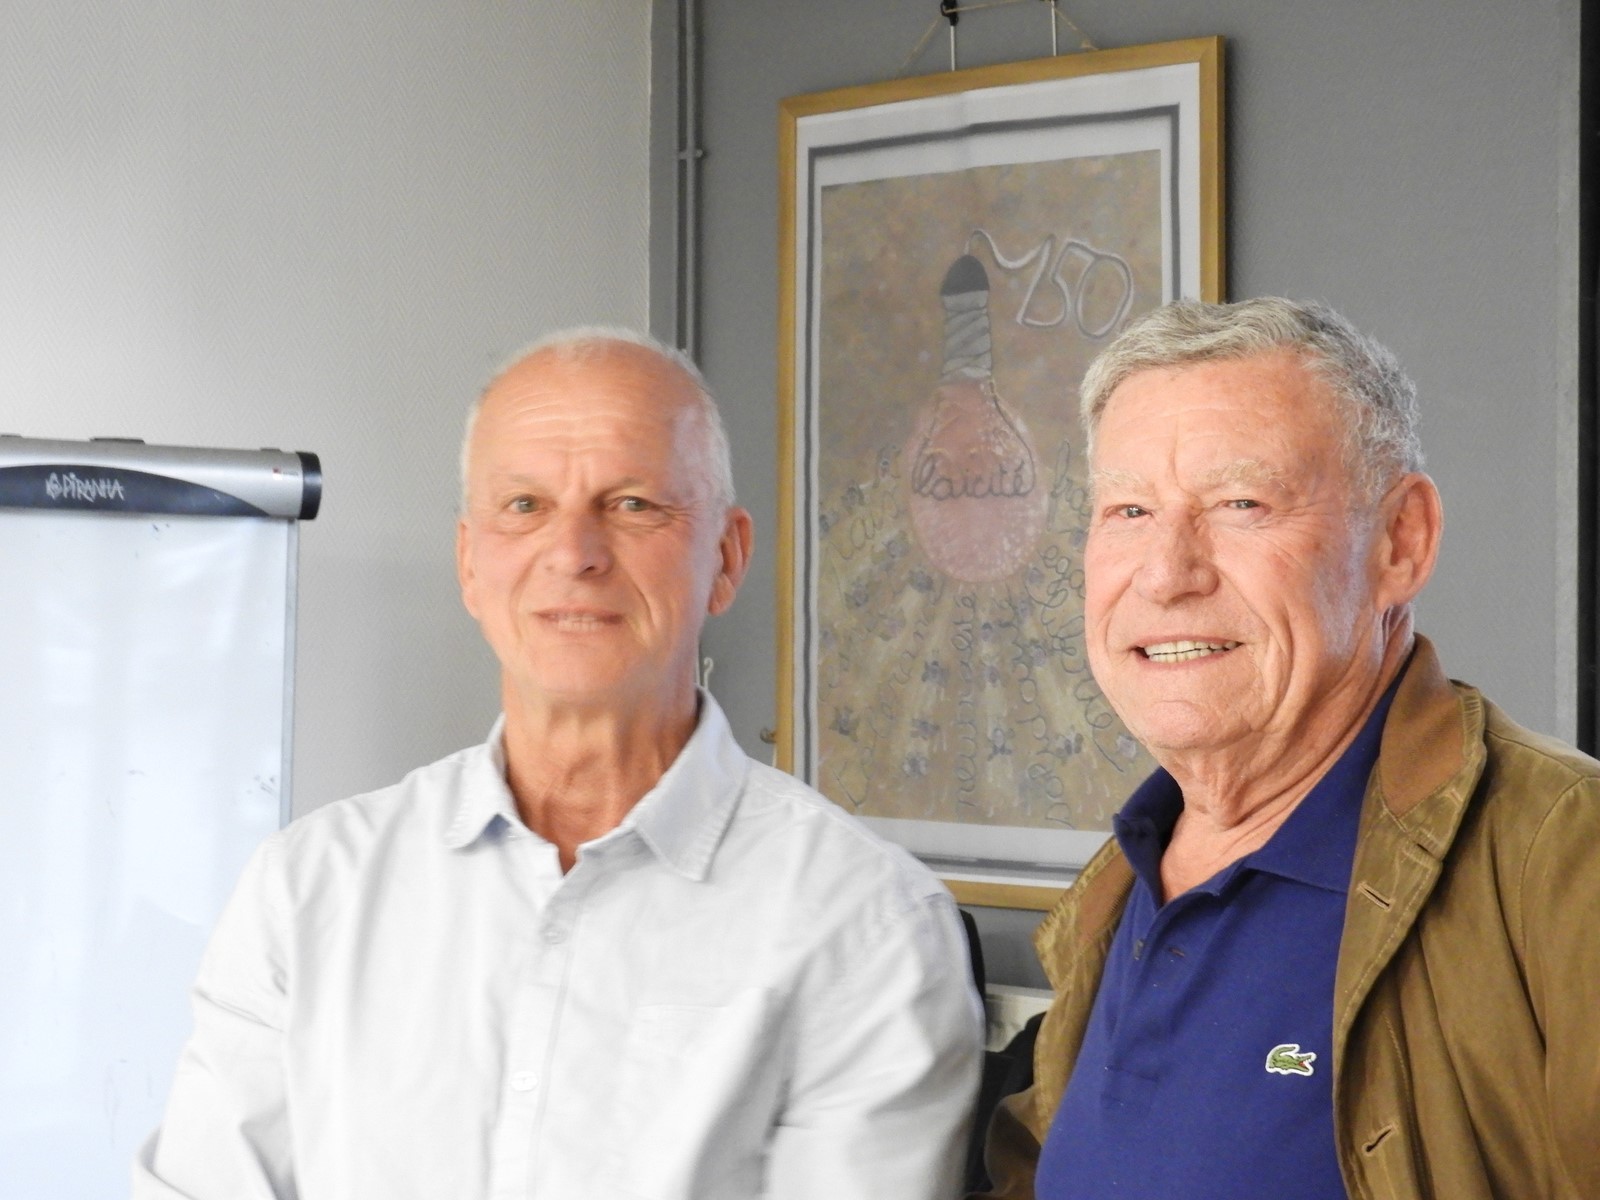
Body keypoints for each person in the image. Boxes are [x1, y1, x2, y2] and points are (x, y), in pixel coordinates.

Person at [135, 329, 984, 1199]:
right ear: (470, 563)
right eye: (525, 506)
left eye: (633, 504)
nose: (574, 552)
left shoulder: (866, 925)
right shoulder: (308, 890)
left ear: (726, 559)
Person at [976, 298, 1600, 1200]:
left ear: (1400, 541)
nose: (1167, 573)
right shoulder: (1121, 885)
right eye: (1129, 509)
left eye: (1241, 504)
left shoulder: (1566, 857)